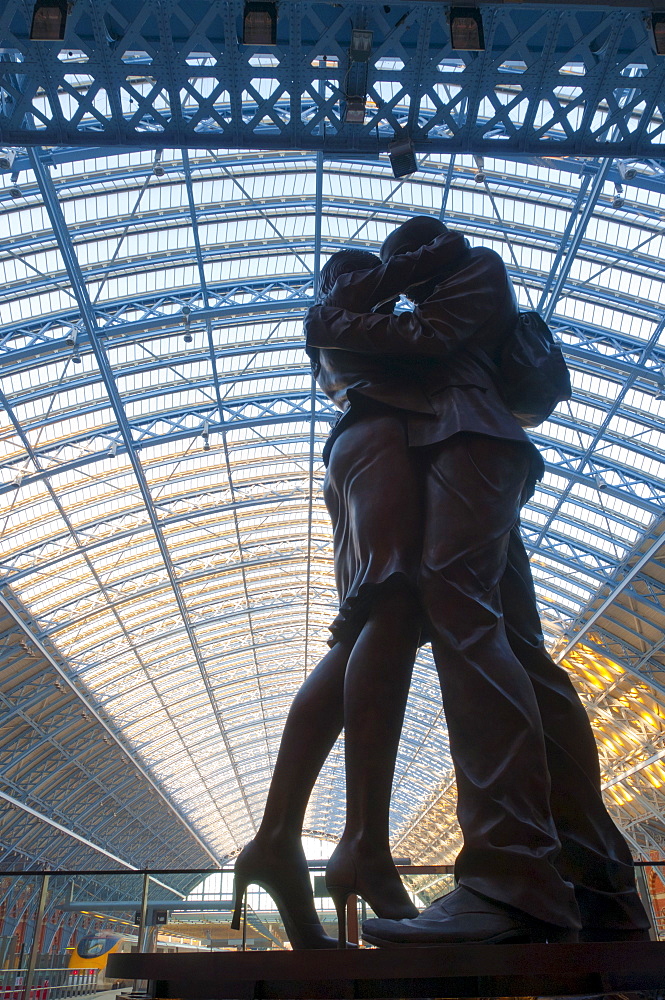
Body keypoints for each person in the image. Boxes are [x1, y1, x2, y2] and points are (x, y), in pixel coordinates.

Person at [305, 216, 651, 946]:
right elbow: (357, 347)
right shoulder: (426, 292)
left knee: (457, 611)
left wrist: (377, 298)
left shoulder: (473, 271)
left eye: (400, 260)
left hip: (471, 442)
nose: (392, 275)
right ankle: (599, 888)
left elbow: (418, 340)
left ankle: (512, 879)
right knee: (520, 652)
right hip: (471, 452)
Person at [232, 243, 459, 948]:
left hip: (359, 452)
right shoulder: (336, 313)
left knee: (367, 626)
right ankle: (362, 842)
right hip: (380, 445)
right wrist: (432, 259)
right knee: (390, 605)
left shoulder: (349, 337)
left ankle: (276, 841)